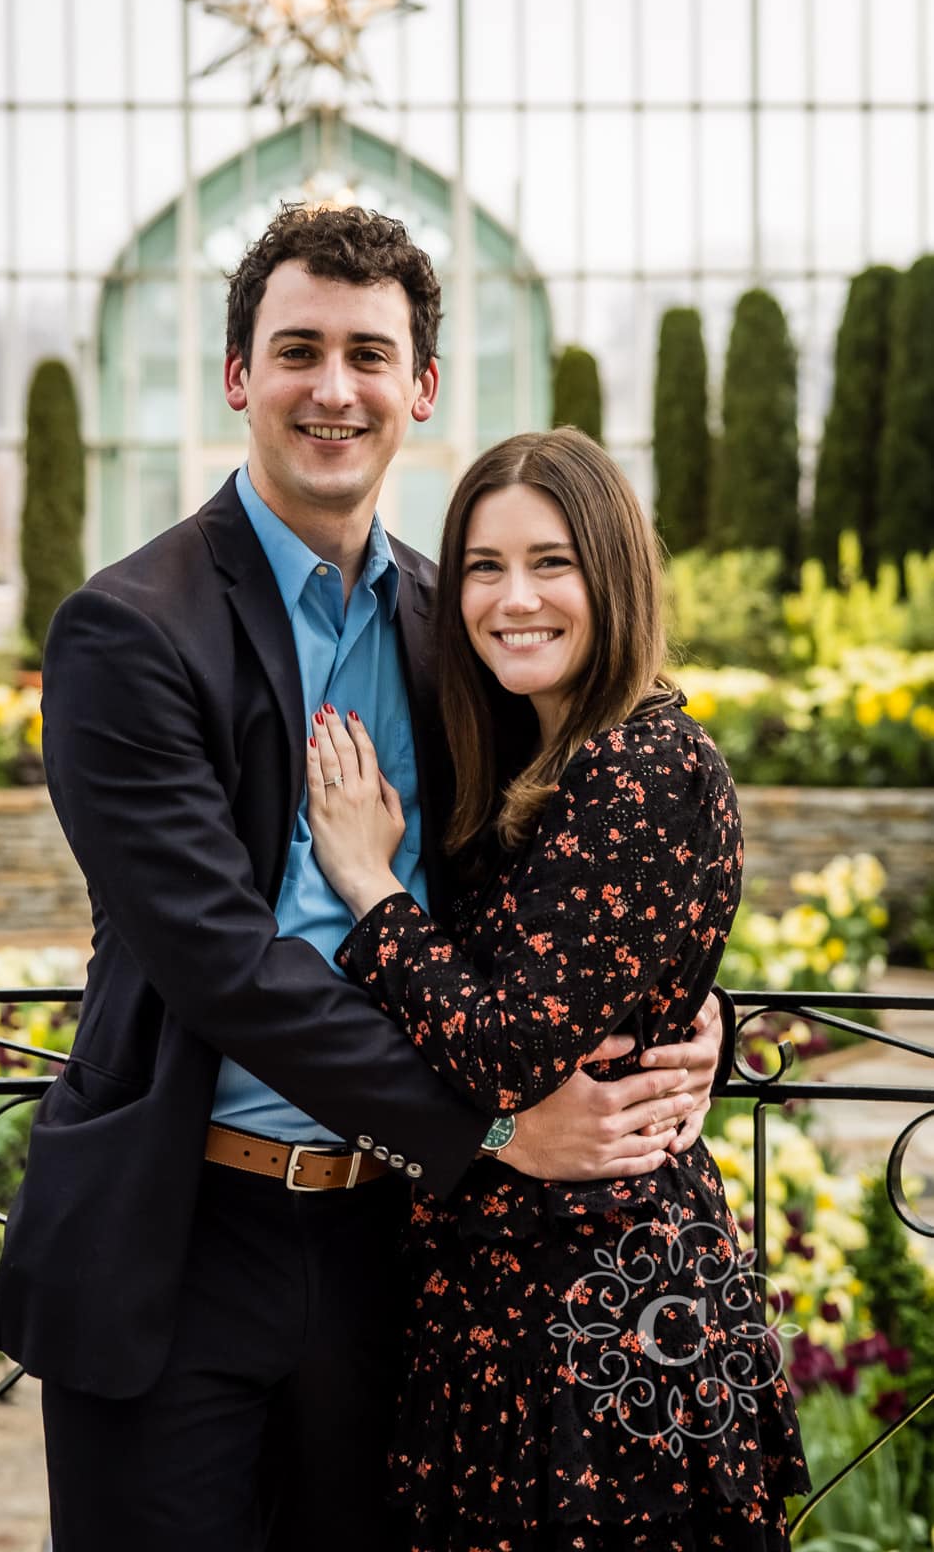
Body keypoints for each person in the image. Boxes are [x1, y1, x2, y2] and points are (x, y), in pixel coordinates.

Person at [0, 206, 727, 1552]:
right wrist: (496, 1128)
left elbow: (562, 885)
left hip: (406, 1251)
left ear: (420, 388)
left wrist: (676, 1021)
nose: (334, 388)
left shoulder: (465, 626)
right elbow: (221, 962)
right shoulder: (126, 630)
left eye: (369, 355)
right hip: (181, 1232)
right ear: (238, 377)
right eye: (298, 349)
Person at [304, 428, 810, 1551]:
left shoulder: (645, 767)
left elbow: (498, 1050)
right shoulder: (538, 765)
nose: (511, 598)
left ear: (612, 574)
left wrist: (366, 886)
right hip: (504, 1308)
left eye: (551, 563)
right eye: (482, 566)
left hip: (599, 1322)